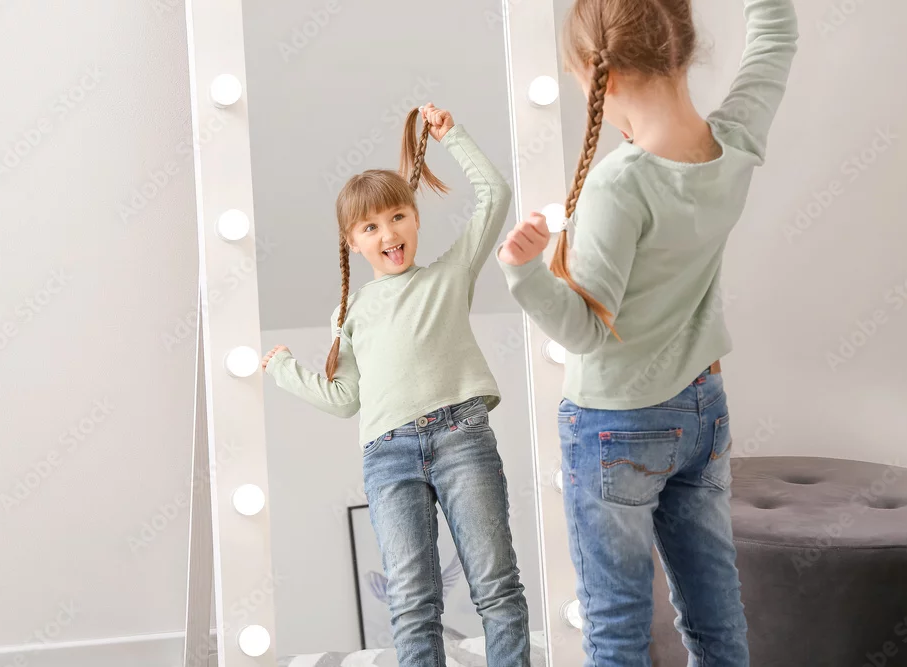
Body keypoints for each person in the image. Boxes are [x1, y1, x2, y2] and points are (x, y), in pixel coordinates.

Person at [496, 0, 799, 664]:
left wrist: (523, 273)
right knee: (716, 620)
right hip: (702, 409)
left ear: (593, 72)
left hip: (616, 426)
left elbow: (586, 331)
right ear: (683, 44)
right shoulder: (736, 140)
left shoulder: (620, 184)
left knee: (617, 630)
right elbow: (776, 33)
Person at [263, 103, 530, 666]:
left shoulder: (450, 274)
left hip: (462, 437)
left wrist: (451, 136)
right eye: (371, 226)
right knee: (411, 604)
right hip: (388, 456)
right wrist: (284, 369)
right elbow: (345, 400)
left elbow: (496, 194)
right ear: (352, 240)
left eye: (398, 216)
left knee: (497, 586)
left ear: (415, 218)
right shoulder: (349, 314)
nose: (388, 233)